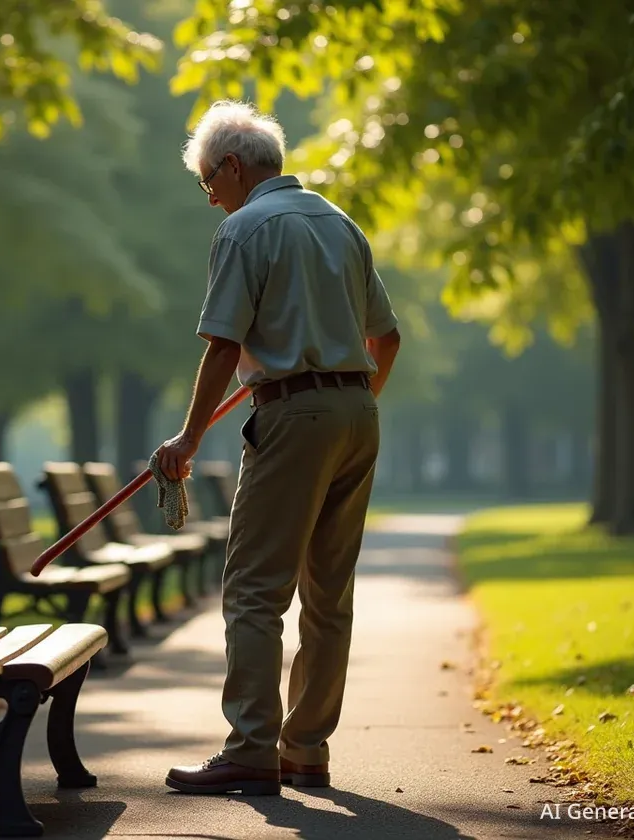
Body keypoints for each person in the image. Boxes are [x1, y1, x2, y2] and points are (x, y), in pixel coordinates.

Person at [154, 100, 402, 796]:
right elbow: (388, 337)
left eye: (208, 179)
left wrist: (188, 436)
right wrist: (346, 400)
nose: (208, 195)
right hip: (358, 410)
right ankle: (306, 750)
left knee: (255, 592)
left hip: (293, 413)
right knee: (330, 593)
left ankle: (251, 750)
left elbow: (224, 341)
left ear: (233, 165)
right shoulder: (340, 222)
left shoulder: (244, 229)